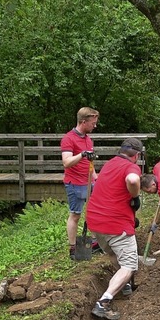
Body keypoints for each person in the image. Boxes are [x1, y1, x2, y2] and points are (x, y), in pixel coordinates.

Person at [87, 138, 144, 320]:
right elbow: (133, 179)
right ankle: (103, 302)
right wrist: (135, 195)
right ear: (136, 155)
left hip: (95, 221)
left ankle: (124, 285)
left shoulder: (110, 163)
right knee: (129, 264)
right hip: (116, 224)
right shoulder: (131, 167)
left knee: (114, 253)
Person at [60, 107, 99, 259]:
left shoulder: (88, 139)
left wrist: (96, 178)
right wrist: (82, 154)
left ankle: (94, 242)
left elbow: (90, 163)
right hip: (74, 183)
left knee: (93, 211)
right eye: (92, 123)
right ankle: (73, 248)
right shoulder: (68, 138)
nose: (94, 126)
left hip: (89, 181)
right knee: (75, 215)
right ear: (83, 122)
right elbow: (66, 162)